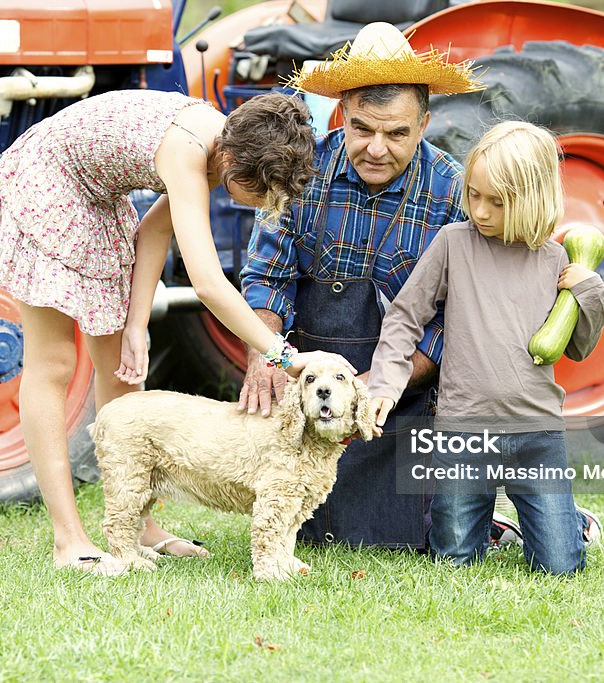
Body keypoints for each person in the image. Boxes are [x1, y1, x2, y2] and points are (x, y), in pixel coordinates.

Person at [0, 89, 353, 575]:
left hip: (98, 198)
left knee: (122, 369)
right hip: (50, 184)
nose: (260, 206)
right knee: (54, 364)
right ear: (233, 162)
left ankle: (141, 526)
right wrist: (282, 355)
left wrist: (136, 324)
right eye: (260, 195)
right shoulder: (188, 152)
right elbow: (206, 283)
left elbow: (154, 231)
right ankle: (68, 540)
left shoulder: (229, 140)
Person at [239, 22, 523, 549]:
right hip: (312, 393)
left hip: (401, 398)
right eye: (363, 129)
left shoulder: (454, 192)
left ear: (424, 124)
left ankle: (517, 518)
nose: (376, 148)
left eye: (396, 134)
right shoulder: (300, 174)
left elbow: (456, 325)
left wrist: (373, 390)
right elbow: (265, 278)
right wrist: (265, 356)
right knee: (309, 530)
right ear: (341, 114)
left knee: (412, 536)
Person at [367, 121, 604, 574]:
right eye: (473, 194)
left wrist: (588, 291)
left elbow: (577, 347)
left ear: (533, 199)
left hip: (536, 431)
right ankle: (493, 523)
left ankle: (570, 522)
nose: (479, 210)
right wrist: (386, 380)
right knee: (453, 559)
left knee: (559, 566)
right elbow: (405, 314)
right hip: (462, 429)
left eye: (496, 202)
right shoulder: (454, 244)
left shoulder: (558, 260)